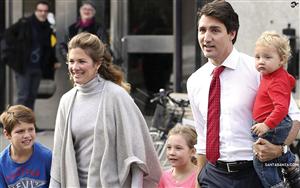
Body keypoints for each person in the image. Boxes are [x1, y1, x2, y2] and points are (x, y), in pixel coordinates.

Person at [186, 0, 300, 188]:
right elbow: (203, 136)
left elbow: (294, 117)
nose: (206, 38)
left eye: (215, 30)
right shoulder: (195, 81)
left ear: (232, 33)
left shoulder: (258, 71)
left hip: (255, 173)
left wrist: (280, 150)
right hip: (213, 175)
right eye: (202, 30)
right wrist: (199, 180)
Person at [49, 32, 161, 187]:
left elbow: (138, 153)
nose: (75, 67)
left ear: (97, 64)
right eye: (71, 61)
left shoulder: (117, 97)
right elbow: (59, 155)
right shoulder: (67, 101)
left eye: (82, 61)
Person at [251, 31, 299, 188]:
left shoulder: (276, 81)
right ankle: (291, 164)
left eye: (267, 57)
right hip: (274, 123)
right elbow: (290, 81)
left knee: (262, 161)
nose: (261, 61)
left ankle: (278, 184)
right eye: (257, 57)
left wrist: (266, 125)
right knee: (271, 154)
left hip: (273, 124)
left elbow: (281, 108)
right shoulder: (273, 75)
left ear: (282, 60)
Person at [0, 0, 60, 110]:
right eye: (40, 10)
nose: (43, 13)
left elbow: (49, 48)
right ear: (35, 11)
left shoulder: (47, 28)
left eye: (45, 11)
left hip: (37, 67)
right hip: (24, 67)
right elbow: (7, 36)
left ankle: (28, 123)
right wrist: (14, 55)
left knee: (32, 97)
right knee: (23, 96)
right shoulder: (25, 23)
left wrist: (53, 61)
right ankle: (18, 123)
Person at [0, 105, 52, 187]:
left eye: (31, 129)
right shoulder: (2, 163)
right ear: (7, 134)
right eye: (20, 131)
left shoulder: (47, 157)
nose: (27, 135)